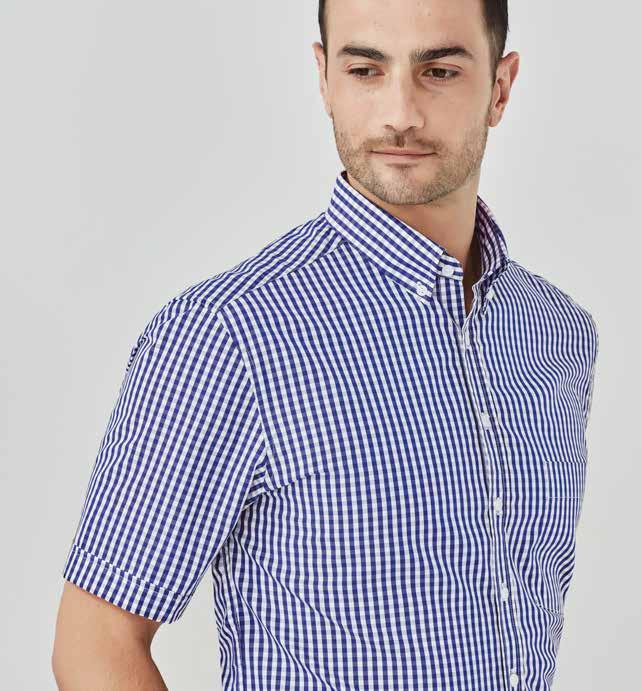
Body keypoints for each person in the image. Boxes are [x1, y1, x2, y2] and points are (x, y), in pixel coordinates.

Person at [52, 1, 599, 689]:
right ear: (324, 79)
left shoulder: (555, 331)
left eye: (438, 71)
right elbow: (96, 642)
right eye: (365, 70)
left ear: (500, 87)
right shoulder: (227, 335)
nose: (400, 113)